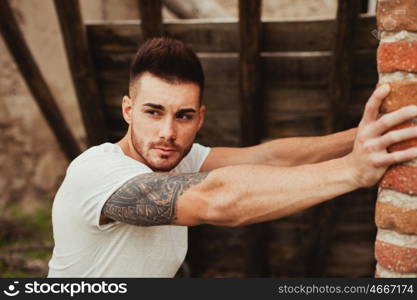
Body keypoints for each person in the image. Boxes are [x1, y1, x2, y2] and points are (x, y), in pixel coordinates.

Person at [48, 37, 417, 277]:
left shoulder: (180, 158)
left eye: (183, 116)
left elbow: (270, 158)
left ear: (200, 118)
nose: (168, 133)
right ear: (128, 110)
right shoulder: (96, 172)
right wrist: (353, 170)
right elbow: (216, 199)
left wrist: (368, 136)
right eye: (153, 112)